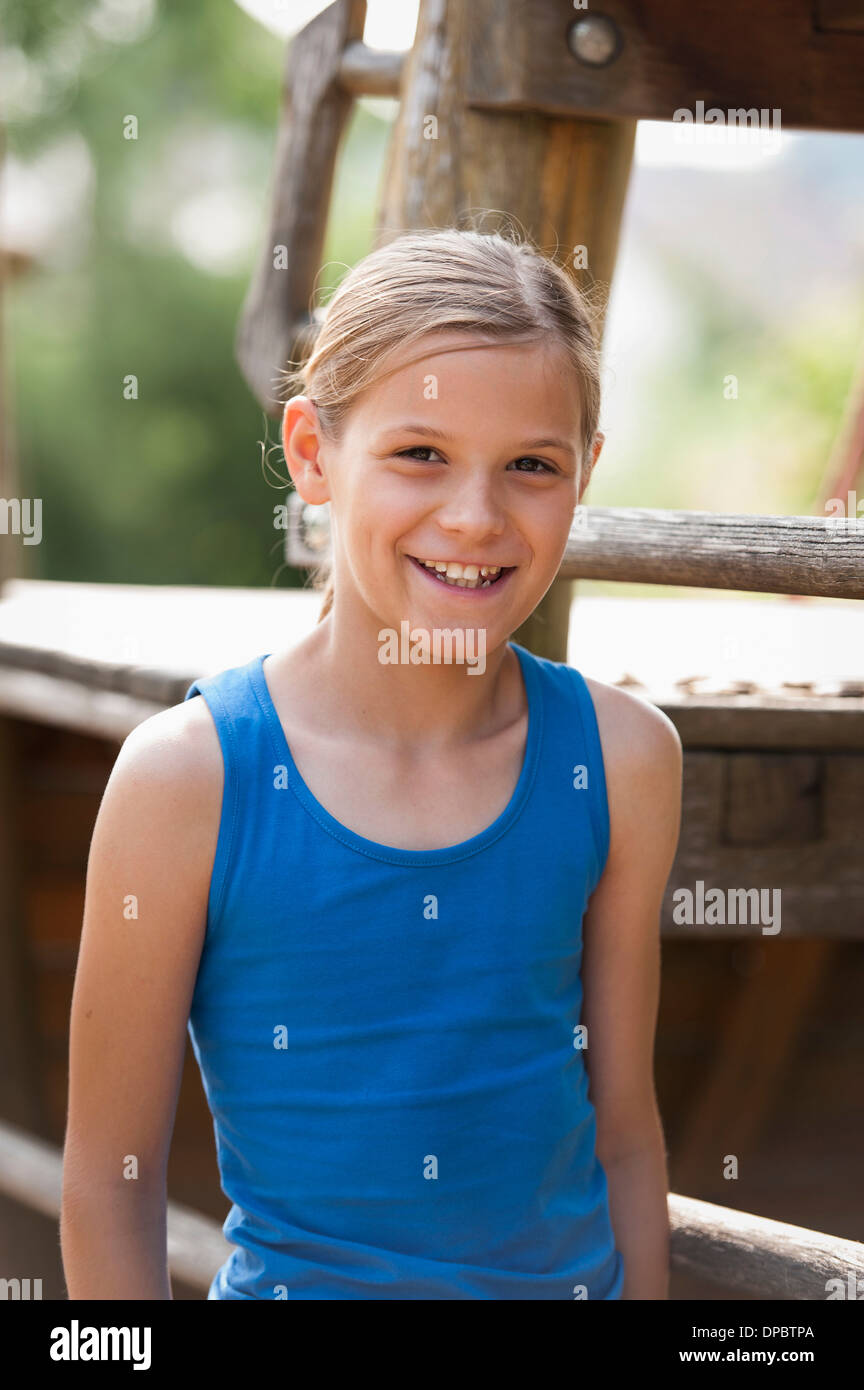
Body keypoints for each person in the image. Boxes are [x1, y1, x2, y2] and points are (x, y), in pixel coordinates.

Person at [61, 227, 682, 1300]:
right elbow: (110, 1182)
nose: (476, 518)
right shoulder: (187, 782)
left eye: (531, 466)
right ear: (312, 452)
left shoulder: (623, 761)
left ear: (585, 471)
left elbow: (626, 1134)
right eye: (421, 454)